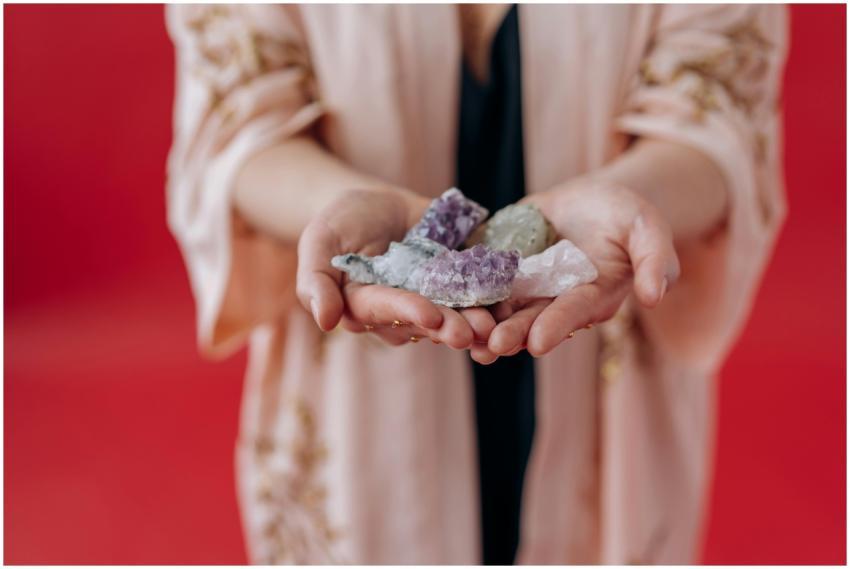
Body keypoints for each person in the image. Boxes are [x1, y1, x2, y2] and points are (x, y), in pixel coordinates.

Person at [166, 4, 787, 564]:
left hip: (598, 351)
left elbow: (723, 110)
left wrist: (635, 206)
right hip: (359, 397)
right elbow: (233, 121)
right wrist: (337, 215)